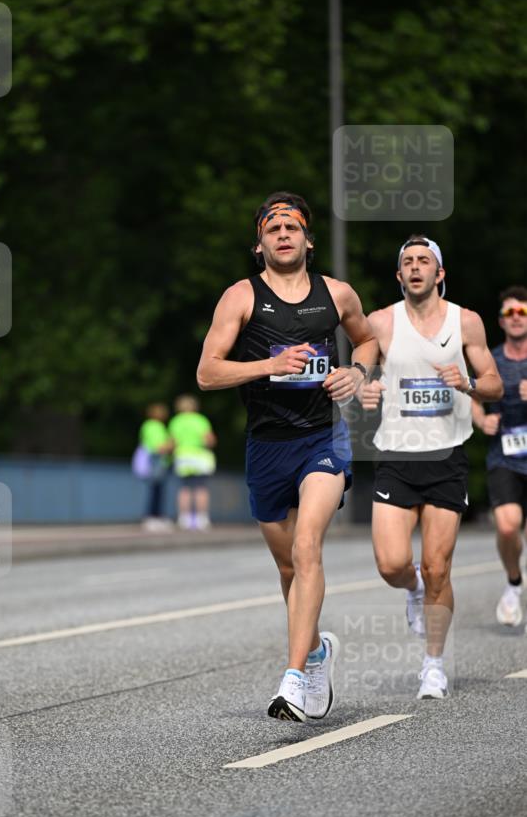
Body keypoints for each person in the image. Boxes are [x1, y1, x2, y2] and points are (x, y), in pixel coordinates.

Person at [197, 191, 377, 721]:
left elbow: (365, 341)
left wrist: (359, 372)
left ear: (308, 239)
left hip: (323, 438)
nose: (283, 233)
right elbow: (208, 373)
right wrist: (266, 367)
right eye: (272, 227)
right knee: (286, 566)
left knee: (307, 548)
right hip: (266, 444)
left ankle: (294, 678)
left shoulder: (337, 294)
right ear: (260, 245)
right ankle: (318, 651)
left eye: (292, 226)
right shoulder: (241, 298)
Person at [361, 236, 503, 699]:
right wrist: (362, 388)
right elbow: (358, 371)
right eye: (407, 262)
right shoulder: (381, 322)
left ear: (440, 273)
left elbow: (495, 385)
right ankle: (412, 586)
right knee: (391, 564)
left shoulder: (467, 322)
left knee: (439, 568)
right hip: (397, 458)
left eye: (424, 261)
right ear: (398, 276)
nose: (416, 267)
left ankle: (434, 666)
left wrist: (467, 382)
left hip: (446, 458)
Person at [471, 286, 527, 626]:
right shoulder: (490, 359)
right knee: (507, 528)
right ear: (501, 321)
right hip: (505, 454)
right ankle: (513, 583)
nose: (516, 318)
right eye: (510, 313)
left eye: (522, 311)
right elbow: (470, 392)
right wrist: (481, 418)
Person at [169, 394, 217, 530]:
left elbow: (172, 442)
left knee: (185, 488)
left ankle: (184, 519)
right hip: (200, 455)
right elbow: (210, 440)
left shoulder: (176, 421)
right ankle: (202, 519)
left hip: (183, 456)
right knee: (201, 488)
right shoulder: (200, 420)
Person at [136, 402, 173, 532]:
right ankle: (152, 517)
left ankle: (156, 516)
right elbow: (159, 447)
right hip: (155, 461)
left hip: (158, 461)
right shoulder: (153, 426)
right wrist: (171, 444)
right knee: (156, 490)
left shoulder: (152, 426)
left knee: (158, 490)